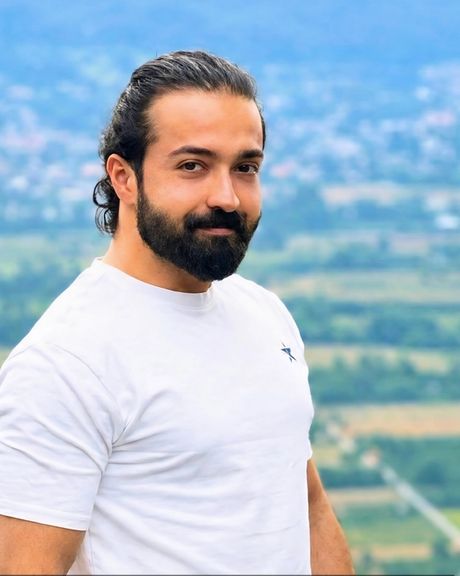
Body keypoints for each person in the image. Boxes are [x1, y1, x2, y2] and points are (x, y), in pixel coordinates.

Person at [0, 50, 354, 575]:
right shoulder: (67, 362)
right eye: (193, 166)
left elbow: (308, 508)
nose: (227, 196)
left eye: (245, 168)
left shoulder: (265, 314)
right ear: (123, 178)